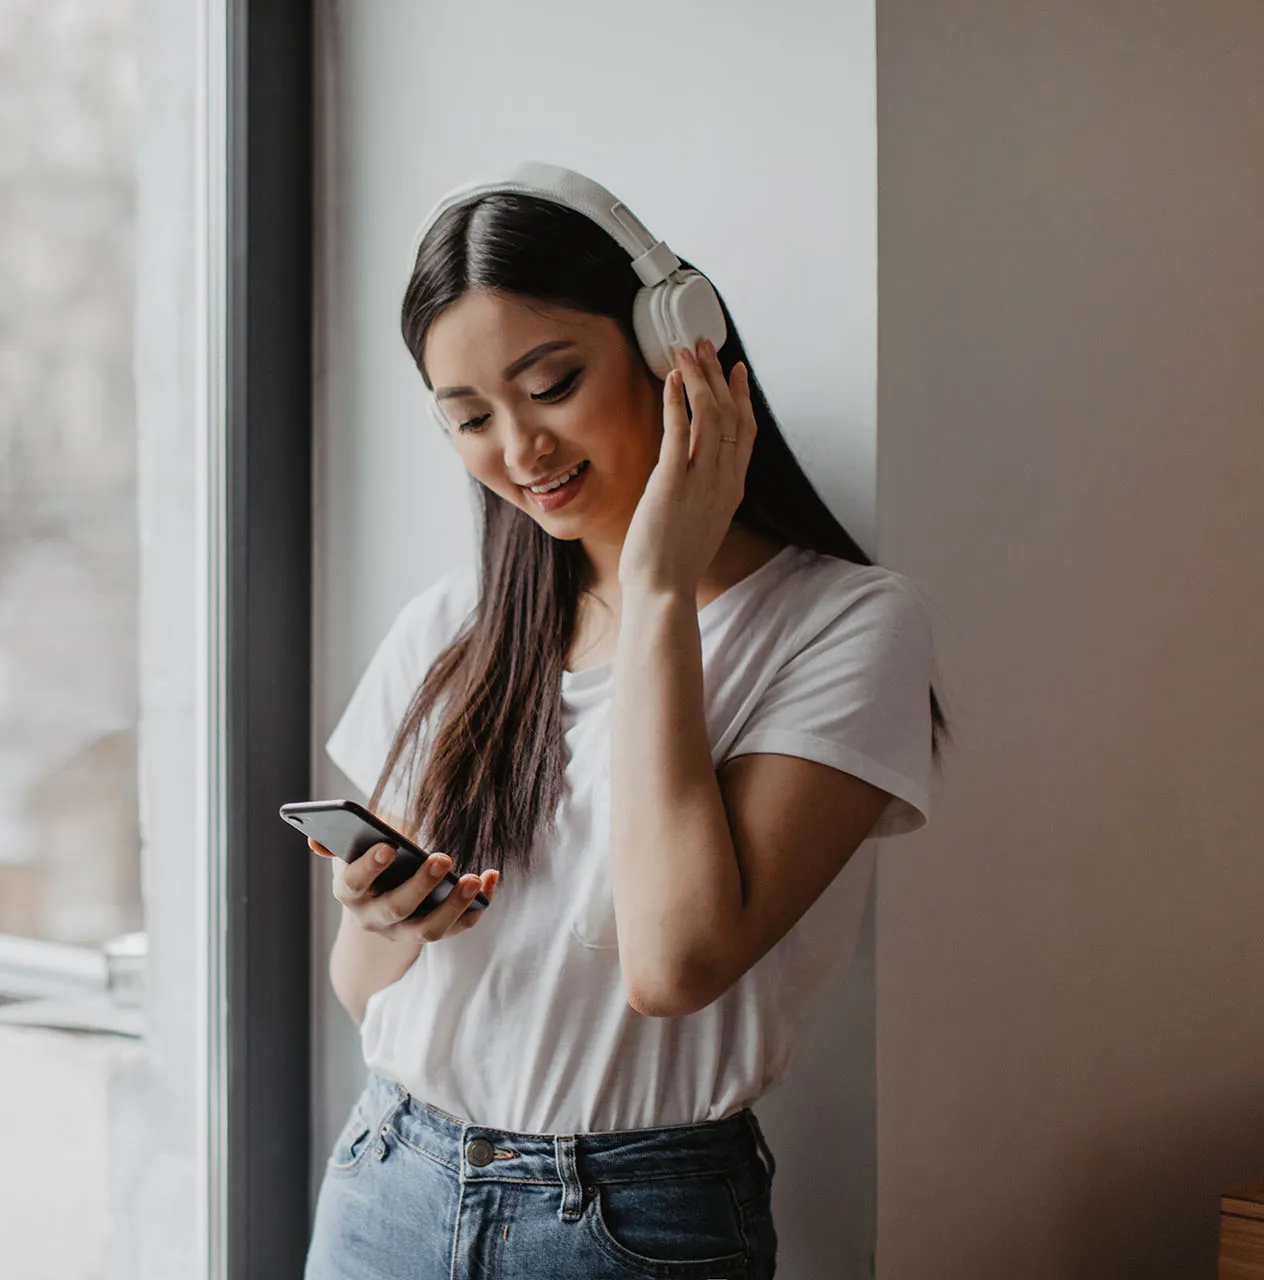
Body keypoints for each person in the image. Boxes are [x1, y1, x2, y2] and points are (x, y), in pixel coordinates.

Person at [302, 163, 948, 1279]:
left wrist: (657, 590)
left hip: (630, 1222)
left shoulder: (846, 624)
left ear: (674, 346)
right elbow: (363, 990)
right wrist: (382, 920)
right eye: (470, 419)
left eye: (551, 384)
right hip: (389, 1183)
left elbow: (676, 960)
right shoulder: (454, 622)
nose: (520, 451)